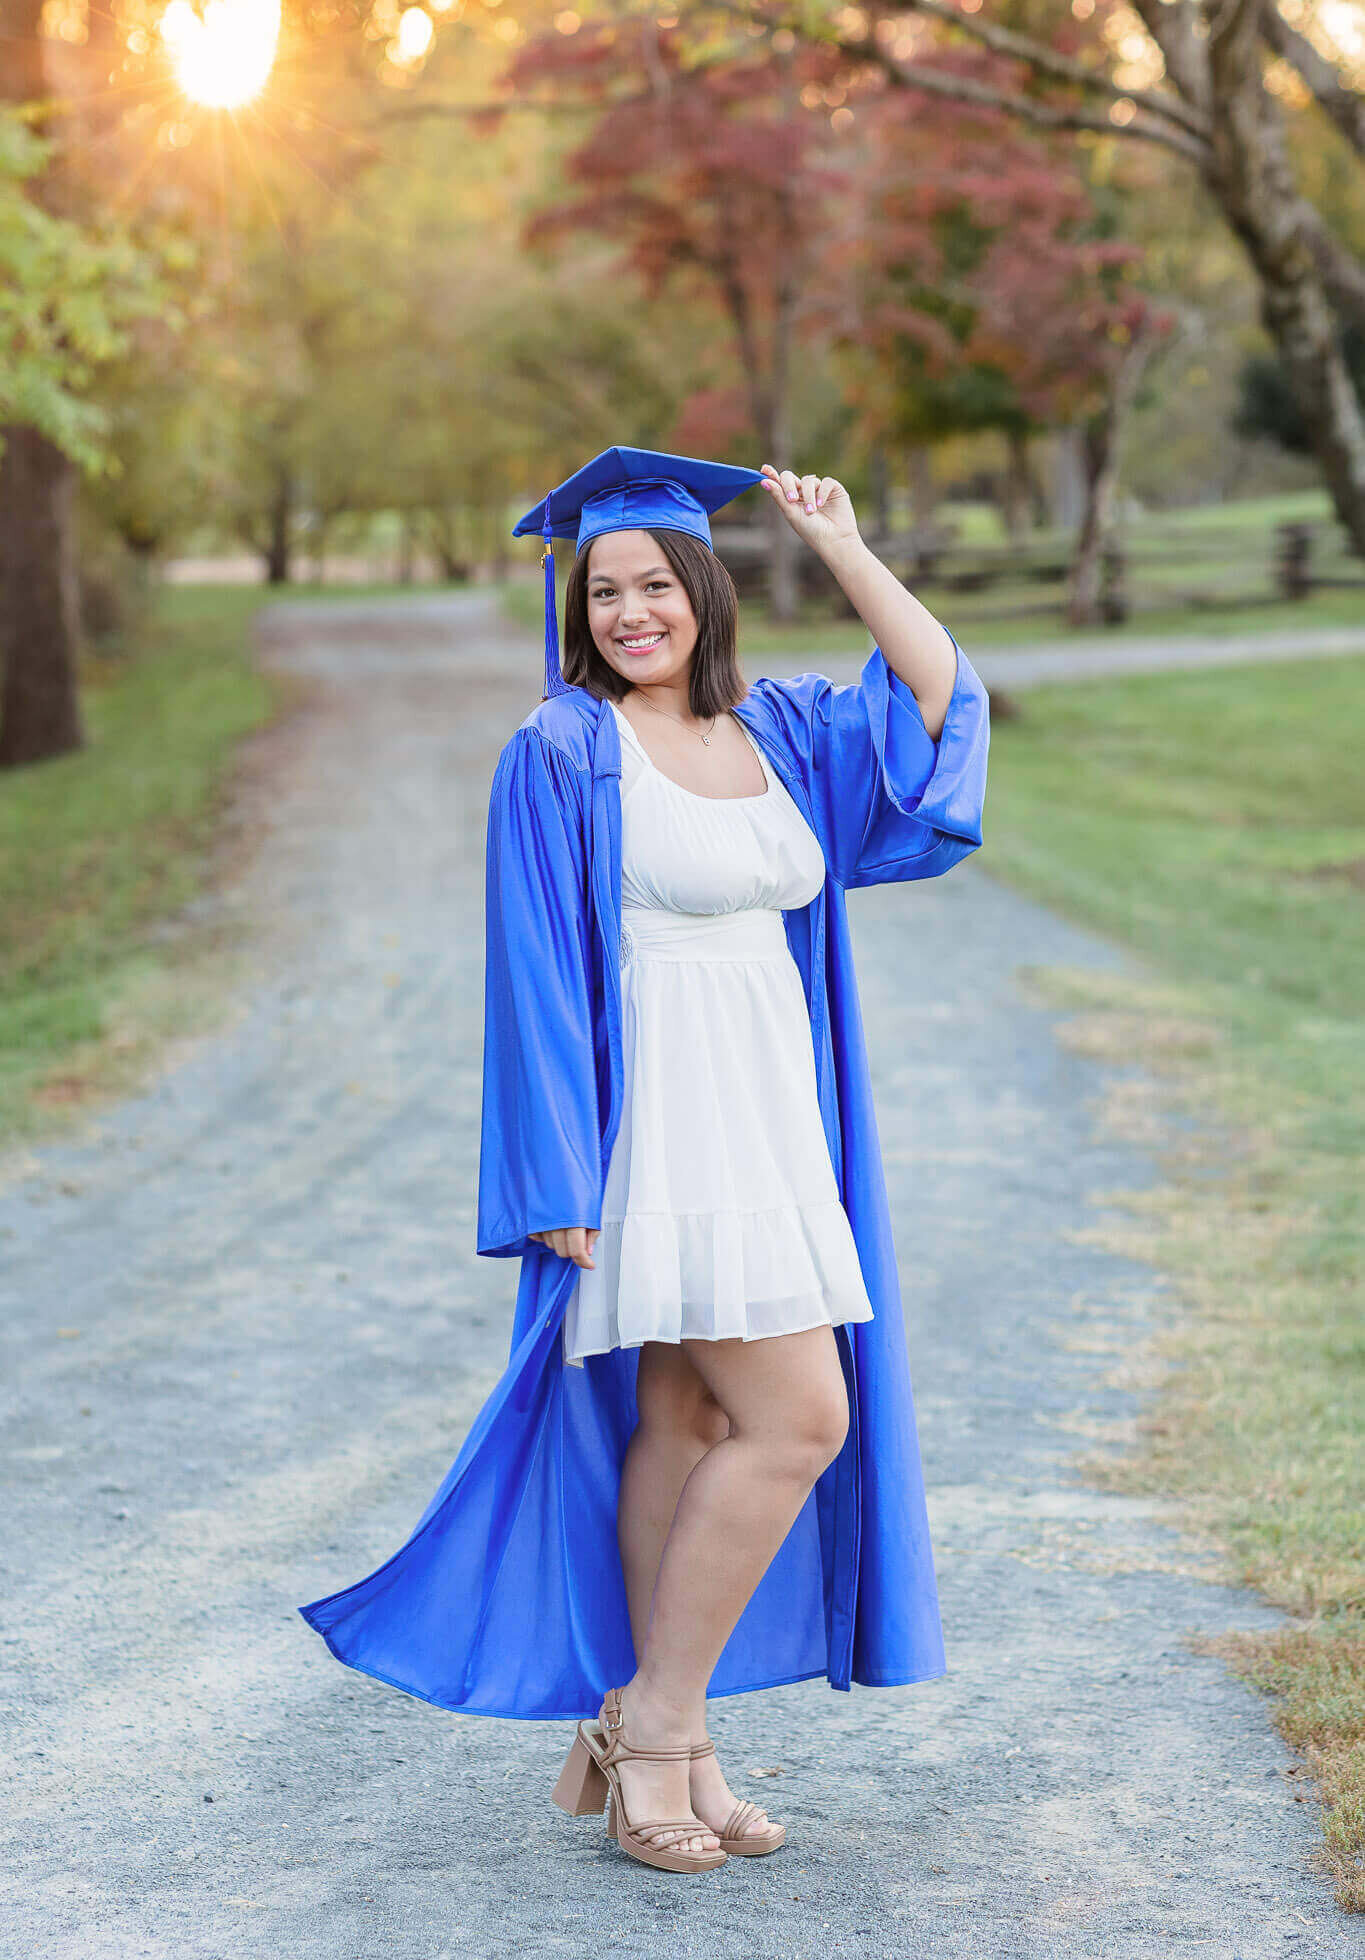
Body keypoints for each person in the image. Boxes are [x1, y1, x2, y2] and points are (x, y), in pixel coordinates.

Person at [298, 446, 990, 1877]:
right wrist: (554, 1180)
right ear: (579, 610)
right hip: (654, 1128)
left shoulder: (784, 733)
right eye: (604, 590)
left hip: (769, 1119)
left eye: (655, 584)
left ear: (702, 593)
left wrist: (849, 549)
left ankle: (676, 1748)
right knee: (801, 1419)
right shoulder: (561, 750)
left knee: (681, 1426)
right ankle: (652, 1722)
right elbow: (533, 971)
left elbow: (935, 696)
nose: (630, 612)